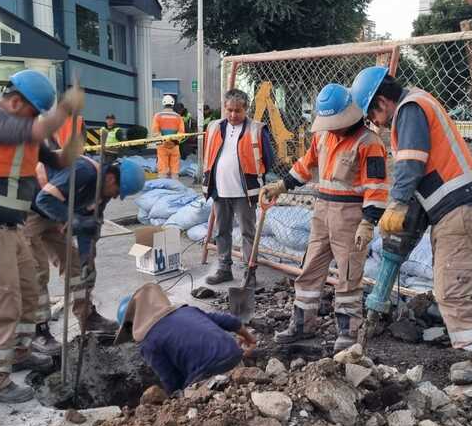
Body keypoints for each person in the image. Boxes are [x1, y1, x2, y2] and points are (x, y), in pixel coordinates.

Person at [350, 65, 472, 384]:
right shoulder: (418, 105)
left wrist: (398, 201)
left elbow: (410, 165)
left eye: (371, 116)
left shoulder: (410, 109)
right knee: (453, 283)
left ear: (381, 103)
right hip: (454, 212)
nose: (374, 124)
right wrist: (398, 244)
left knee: (452, 288)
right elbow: (421, 188)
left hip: (461, 212)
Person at [0, 69, 85, 403]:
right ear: (14, 102)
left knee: (29, 293)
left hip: (12, 228)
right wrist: (65, 108)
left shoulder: (26, 131)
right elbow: (39, 128)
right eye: (32, 113)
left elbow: (56, 158)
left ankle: (19, 353)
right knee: (1, 302)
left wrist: (74, 147)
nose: (34, 121)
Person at [262, 84, 389, 352]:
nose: (333, 127)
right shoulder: (322, 137)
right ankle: (302, 323)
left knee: (348, 273)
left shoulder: (369, 143)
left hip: (351, 216)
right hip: (322, 211)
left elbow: (377, 188)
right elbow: (305, 165)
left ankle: (348, 331)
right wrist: (282, 185)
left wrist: (368, 222)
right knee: (310, 268)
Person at [30, 153, 145, 347]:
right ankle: (38, 330)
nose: (116, 196)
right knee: (36, 271)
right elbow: (44, 200)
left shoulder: (103, 192)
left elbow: (89, 229)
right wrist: (71, 219)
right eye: (117, 191)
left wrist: (86, 258)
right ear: (110, 177)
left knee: (76, 266)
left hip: (56, 214)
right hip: (30, 210)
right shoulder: (82, 171)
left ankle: (87, 316)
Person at [114, 283, 256, 395]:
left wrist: (174, 400)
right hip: (235, 357)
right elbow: (228, 321)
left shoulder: (149, 342)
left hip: (208, 374)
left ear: (131, 325)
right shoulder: (187, 310)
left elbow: (170, 378)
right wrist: (249, 337)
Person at [202, 89, 275, 286]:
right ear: (224, 108)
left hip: (245, 193)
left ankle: (249, 272)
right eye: (229, 110)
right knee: (221, 232)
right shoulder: (214, 127)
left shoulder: (257, 129)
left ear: (246, 109)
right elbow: (208, 155)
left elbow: (268, 160)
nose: (233, 115)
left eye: (238, 111)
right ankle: (224, 269)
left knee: (247, 233)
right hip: (220, 190)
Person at [151, 95, 185, 178]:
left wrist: (164, 141)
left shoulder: (157, 116)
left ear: (163, 103)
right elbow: (181, 132)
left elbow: (155, 131)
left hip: (162, 145)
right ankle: (175, 185)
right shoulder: (178, 117)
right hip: (174, 145)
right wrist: (173, 142)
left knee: (162, 167)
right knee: (175, 168)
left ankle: (163, 185)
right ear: (173, 104)